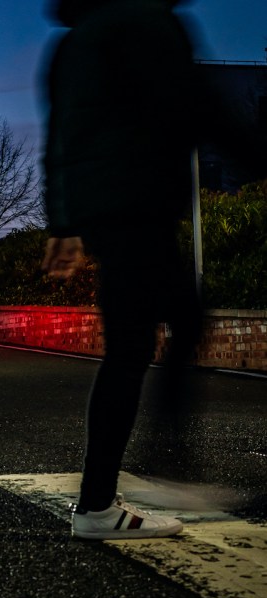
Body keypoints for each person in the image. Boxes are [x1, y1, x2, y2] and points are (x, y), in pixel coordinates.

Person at [40, 0, 208, 540]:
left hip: (106, 212)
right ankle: (155, 472)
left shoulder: (73, 42)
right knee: (166, 330)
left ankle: (105, 500)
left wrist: (64, 223)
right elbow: (193, 107)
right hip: (141, 204)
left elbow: (59, 138)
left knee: (136, 346)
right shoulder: (144, 22)